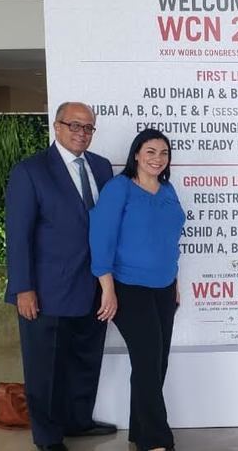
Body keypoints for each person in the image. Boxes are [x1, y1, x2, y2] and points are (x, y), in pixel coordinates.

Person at [5, 102, 116, 451]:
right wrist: (24, 288)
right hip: (47, 291)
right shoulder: (31, 171)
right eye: (74, 126)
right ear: (57, 126)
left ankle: (77, 421)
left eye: (88, 128)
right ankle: (48, 436)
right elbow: (18, 235)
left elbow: (105, 226)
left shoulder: (100, 167)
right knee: (46, 369)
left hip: (93, 286)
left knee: (85, 360)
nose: (82, 133)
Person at [89, 128, 185, 451]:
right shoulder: (119, 189)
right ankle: (157, 440)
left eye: (164, 153)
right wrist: (107, 289)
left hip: (164, 288)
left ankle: (140, 431)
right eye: (150, 152)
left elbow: (170, 240)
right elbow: (101, 239)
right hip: (129, 288)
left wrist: (176, 281)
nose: (158, 159)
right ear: (136, 155)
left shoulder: (168, 189)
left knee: (157, 363)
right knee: (147, 361)